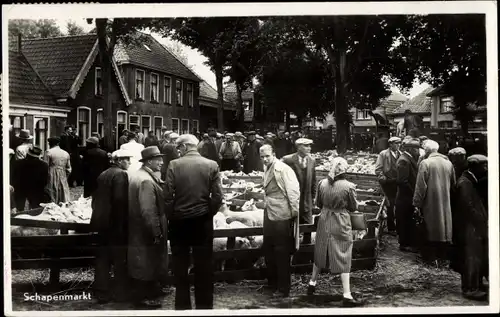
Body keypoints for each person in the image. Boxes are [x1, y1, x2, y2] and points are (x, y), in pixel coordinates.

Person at [164, 134, 223, 310]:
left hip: (179, 222)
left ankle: (182, 307)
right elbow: (218, 196)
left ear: (183, 147)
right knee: (204, 266)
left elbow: (167, 196)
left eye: (178, 147)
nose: (177, 150)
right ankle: (204, 307)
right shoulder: (211, 165)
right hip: (202, 221)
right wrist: (208, 212)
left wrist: (172, 215)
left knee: (180, 267)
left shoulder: (174, 165)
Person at [307, 157, 363, 307]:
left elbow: (318, 203)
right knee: (343, 252)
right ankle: (347, 294)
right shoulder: (349, 186)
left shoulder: (322, 183)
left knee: (320, 249)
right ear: (344, 169)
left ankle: (312, 283)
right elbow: (353, 207)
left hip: (325, 218)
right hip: (340, 220)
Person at [128, 146, 168, 308]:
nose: (161, 162)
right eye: (158, 160)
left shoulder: (142, 175)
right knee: (145, 261)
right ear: (149, 161)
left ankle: (151, 290)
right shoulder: (145, 180)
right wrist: (156, 231)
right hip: (146, 227)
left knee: (147, 260)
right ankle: (141, 298)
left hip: (139, 226)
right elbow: (148, 210)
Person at [91, 149, 132, 304]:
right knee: (119, 257)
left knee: (102, 256)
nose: (129, 162)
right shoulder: (121, 174)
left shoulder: (104, 174)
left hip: (101, 222)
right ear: (119, 160)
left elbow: (96, 198)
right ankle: (120, 292)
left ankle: (101, 290)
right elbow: (120, 200)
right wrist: (123, 223)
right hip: (115, 223)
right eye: (127, 159)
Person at [260, 144, 300, 298]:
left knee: (281, 251)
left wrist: (293, 213)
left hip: (282, 215)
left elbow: (293, 191)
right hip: (269, 212)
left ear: (274, 154)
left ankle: (283, 288)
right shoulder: (267, 168)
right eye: (262, 157)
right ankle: (272, 283)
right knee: (269, 250)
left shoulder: (283, 169)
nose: (264, 159)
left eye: (267, 156)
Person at [413, 140, 455, 266]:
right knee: (444, 226)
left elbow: (420, 186)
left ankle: (431, 258)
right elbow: (453, 184)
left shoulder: (426, 163)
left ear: (426, 151)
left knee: (431, 226)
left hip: (430, 201)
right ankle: (443, 257)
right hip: (445, 200)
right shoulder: (448, 163)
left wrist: (417, 204)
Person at [455, 155, 488, 301]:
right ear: (474, 166)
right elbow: (468, 207)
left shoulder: (469, 180)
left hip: (471, 226)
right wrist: (480, 220)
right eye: (484, 166)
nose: (486, 169)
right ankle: (470, 288)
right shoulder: (465, 183)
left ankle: (476, 284)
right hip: (469, 227)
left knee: (476, 257)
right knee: (471, 258)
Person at [282, 138, 317, 246]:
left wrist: (313, 197)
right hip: (292, 202)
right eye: (306, 146)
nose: (309, 148)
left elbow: (313, 181)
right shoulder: (288, 160)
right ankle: (290, 252)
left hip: (307, 202)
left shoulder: (311, 160)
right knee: (291, 229)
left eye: (310, 146)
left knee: (308, 228)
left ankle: (305, 253)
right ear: (298, 147)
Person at [395, 138, 421, 252]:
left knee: (408, 219)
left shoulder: (408, 158)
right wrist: (413, 193)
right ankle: (404, 244)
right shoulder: (404, 160)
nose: (418, 151)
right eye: (416, 149)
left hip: (407, 196)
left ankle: (407, 242)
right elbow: (402, 181)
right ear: (410, 149)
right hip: (405, 197)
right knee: (404, 220)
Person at [375, 137, 401, 235]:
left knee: (397, 204)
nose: (398, 145)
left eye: (399, 143)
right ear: (390, 144)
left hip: (397, 182)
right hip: (388, 183)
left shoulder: (400, 154)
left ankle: (398, 226)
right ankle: (391, 228)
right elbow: (378, 169)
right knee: (390, 204)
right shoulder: (383, 154)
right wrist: (384, 179)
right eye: (396, 143)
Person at [12, 146, 49, 211]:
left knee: (19, 208)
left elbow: (13, 177)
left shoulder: (17, 163)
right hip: (36, 189)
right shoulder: (44, 165)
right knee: (36, 209)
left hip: (20, 188)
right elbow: (45, 180)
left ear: (27, 154)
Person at [45, 137, 72, 204]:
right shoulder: (65, 153)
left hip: (51, 174)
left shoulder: (48, 152)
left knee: (52, 191)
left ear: (50, 143)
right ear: (58, 143)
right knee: (62, 192)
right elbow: (69, 169)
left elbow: (45, 166)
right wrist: (65, 176)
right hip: (62, 174)